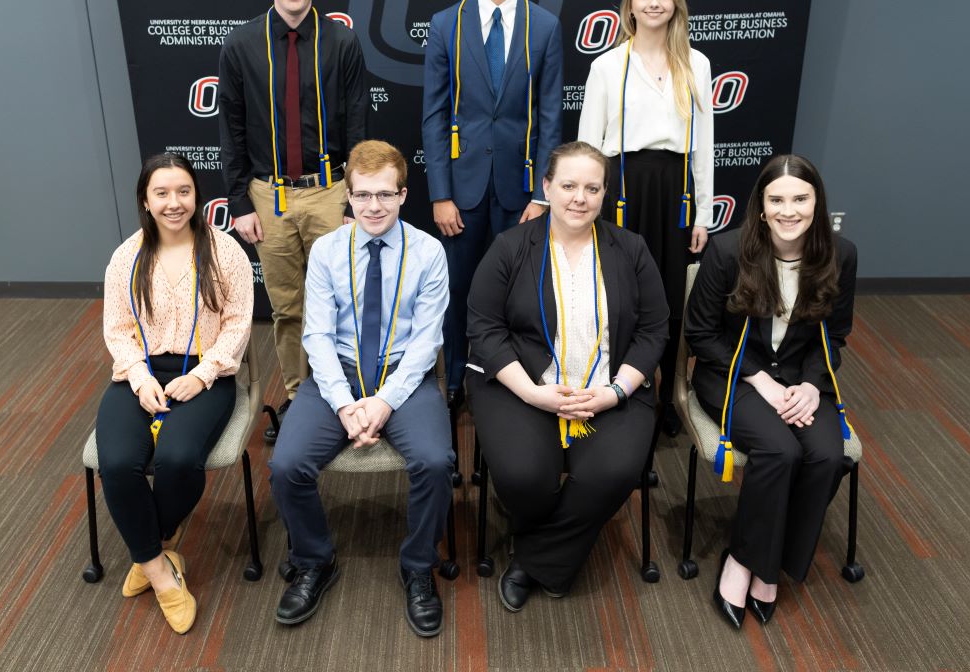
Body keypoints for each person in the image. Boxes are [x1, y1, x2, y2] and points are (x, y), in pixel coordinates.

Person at [465, 141, 669, 610]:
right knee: (522, 475)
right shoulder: (511, 247)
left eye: (592, 188)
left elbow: (655, 329)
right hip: (522, 387)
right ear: (547, 188)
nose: (580, 198)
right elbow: (484, 327)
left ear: (604, 194)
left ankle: (534, 560)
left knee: (614, 471)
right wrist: (534, 394)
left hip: (610, 388)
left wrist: (616, 392)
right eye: (569, 185)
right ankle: (554, 549)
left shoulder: (631, 249)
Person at [267, 140, 455, 637]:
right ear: (347, 197)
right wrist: (347, 404)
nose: (374, 206)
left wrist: (386, 400)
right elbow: (317, 337)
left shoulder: (429, 252)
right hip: (340, 376)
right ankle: (314, 561)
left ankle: (418, 567)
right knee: (286, 466)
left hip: (403, 376)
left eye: (385, 195)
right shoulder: (329, 251)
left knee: (436, 463)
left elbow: (426, 341)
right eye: (363, 195)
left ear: (403, 195)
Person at [684, 154, 857, 629]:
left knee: (826, 454)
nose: (789, 210)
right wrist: (758, 378)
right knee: (780, 452)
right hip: (733, 376)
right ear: (760, 207)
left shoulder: (841, 255)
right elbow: (701, 335)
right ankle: (743, 560)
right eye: (776, 200)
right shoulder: (726, 253)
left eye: (800, 199)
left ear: (817, 203)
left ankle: (774, 562)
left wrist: (810, 385)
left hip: (801, 380)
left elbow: (835, 335)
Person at [97, 153, 254, 634]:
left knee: (179, 459)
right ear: (145, 200)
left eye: (183, 191)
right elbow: (117, 330)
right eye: (161, 193)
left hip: (205, 373)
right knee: (119, 463)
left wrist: (203, 375)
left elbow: (237, 325)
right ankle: (160, 570)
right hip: (139, 372)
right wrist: (141, 380)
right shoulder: (126, 256)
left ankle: (151, 543)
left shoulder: (224, 251)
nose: (173, 203)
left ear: (196, 196)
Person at [219, 0, 368, 405]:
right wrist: (241, 201)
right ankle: (302, 397)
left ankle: (346, 391)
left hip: (331, 192)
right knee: (288, 308)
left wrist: (356, 199)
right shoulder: (241, 45)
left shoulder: (341, 43)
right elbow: (232, 130)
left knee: (344, 302)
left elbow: (358, 127)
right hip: (270, 196)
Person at [422, 0, 564, 407]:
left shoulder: (544, 26)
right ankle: (458, 378)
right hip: (460, 192)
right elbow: (435, 118)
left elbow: (550, 120)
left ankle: (514, 380)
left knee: (519, 294)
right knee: (459, 292)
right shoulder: (446, 25)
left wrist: (542, 197)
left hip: (520, 191)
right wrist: (440, 194)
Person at [579, 0, 714, 436]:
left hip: (674, 191)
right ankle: (623, 391)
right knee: (623, 292)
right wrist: (585, 204)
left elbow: (704, 145)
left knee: (670, 296)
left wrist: (703, 210)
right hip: (623, 189)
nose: (654, 2)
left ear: (675, 3)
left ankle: (667, 395)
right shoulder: (607, 65)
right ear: (630, 5)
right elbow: (588, 147)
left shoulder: (696, 63)